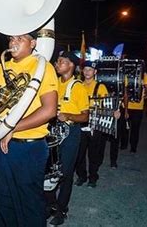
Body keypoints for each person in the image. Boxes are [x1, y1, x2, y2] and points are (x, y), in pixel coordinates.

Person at [0, 33, 58, 227]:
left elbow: (49, 110)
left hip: (28, 148)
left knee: (28, 205)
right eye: (11, 39)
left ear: (33, 43)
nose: (13, 42)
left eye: (20, 39)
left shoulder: (44, 67)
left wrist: (13, 127)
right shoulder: (0, 68)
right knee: (0, 201)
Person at [46, 51, 89, 225]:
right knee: (49, 171)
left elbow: (85, 116)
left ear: (71, 65)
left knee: (66, 172)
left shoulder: (77, 86)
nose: (57, 64)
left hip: (70, 133)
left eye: (61, 61)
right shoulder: (54, 83)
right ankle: (50, 204)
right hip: (52, 132)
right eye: (57, 61)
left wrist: (68, 115)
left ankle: (61, 210)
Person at [75, 61, 111, 188]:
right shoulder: (78, 85)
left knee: (93, 153)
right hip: (80, 122)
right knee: (79, 153)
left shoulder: (100, 87)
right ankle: (82, 176)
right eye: (85, 69)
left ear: (95, 72)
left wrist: (113, 112)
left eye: (90, 69)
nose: (87, 72)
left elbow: (107, 106)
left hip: (95, 124)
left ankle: (93, 177)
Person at [123, 72, 147, 154]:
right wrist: (126, 110)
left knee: (135, 128)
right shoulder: (126, 73)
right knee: (125, 128)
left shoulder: (144, 74)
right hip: (126, 106)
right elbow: (125, 92)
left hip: (138, 107)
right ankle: (124, 144)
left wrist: (146, 91)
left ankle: (133, 147)